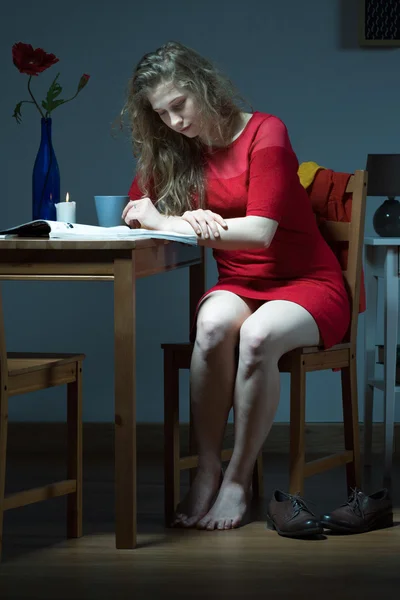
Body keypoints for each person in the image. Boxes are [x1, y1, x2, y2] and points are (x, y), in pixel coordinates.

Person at [121, 41, 350, 532]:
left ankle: (238, 479)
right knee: (211, 326)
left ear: (203, 85)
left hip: (307, 281)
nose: (175, 122)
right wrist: (176, 217)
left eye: (179, 105)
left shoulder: (266, 131)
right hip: (239, 281)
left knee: (258, 336)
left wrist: (177, 223)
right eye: (161, 114)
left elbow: (260, 232)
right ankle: (207, 467)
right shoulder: (176, 148)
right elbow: (137, 213)